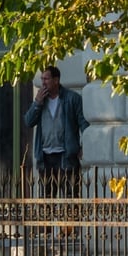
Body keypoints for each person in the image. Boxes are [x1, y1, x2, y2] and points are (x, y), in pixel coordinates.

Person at [21, 64, 86, 194]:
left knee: (70, 196)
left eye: (46, 79)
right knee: (47, 199)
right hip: (45, 157)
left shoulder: (72, 98)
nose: (43, 83)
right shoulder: (41, 100)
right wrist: (37, 103)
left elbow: (83, 123)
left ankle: (70, 215)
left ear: (56, 80)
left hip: (66, 155)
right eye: (42, 79)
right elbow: (28, 122)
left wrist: (84, 146)